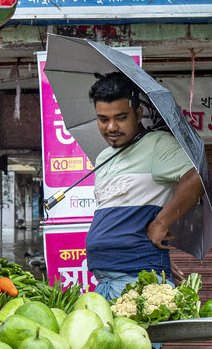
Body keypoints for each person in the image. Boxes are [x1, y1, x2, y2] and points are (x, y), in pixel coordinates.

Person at [84, 73, 205, 300]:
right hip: (106, 279)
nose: (111, 127)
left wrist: (161, 222)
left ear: (138, 114)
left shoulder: (157, 144)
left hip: (135, 278)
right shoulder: (103, 158)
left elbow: (196, 178)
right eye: (103, 119)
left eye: (120, 117)